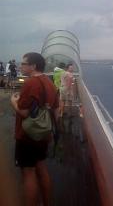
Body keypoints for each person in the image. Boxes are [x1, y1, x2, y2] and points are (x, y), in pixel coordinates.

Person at [10, 52, 58, 206]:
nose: (20, 66)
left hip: (27, 135)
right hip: (43, 134)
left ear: (33, 66)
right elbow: (56, 111)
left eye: (23, 63)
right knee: (41, 167)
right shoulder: (49, 83)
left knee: (28, 172)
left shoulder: (31, 83)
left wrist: (13, 102)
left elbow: (24, 112)